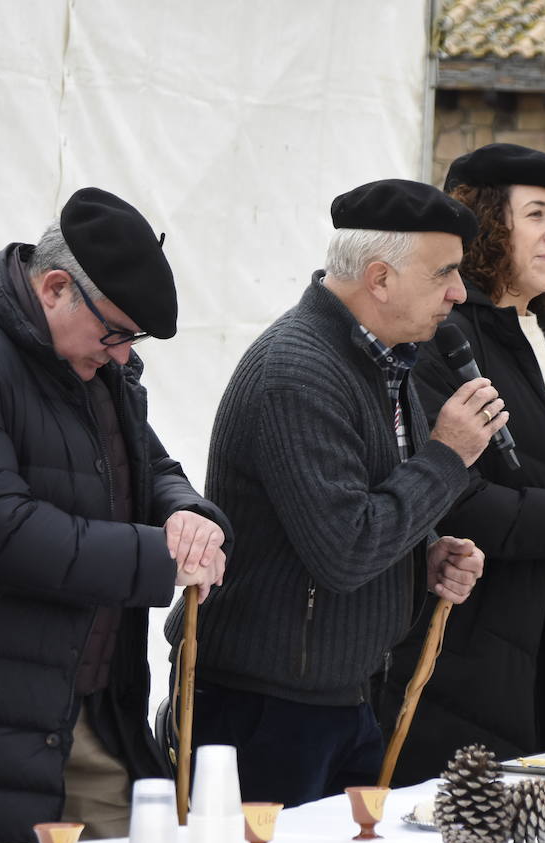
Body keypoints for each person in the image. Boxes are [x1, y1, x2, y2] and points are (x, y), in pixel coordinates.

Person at [0, 188, 230, 843]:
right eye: (116, 333)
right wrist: (163, 559)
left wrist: (189, 514)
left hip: (92, 709)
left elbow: (149, 463)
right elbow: (0, 530)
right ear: (55, 287)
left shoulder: (90, 352)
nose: (123, 356)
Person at [163, 179, 493, 807]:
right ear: (379, 279)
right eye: (445, 274)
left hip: (338, 692)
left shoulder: (386, 360)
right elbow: (345, 551)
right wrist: (448, 456)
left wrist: (424, 555)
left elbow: (358, 510)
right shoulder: (298, 371)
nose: (458, 292)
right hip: (265, 706)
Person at [374, 144, 545, 783]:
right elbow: (453, 495)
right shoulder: (440, 337)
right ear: (486, 226)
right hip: (458, 642)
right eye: (536, 215)